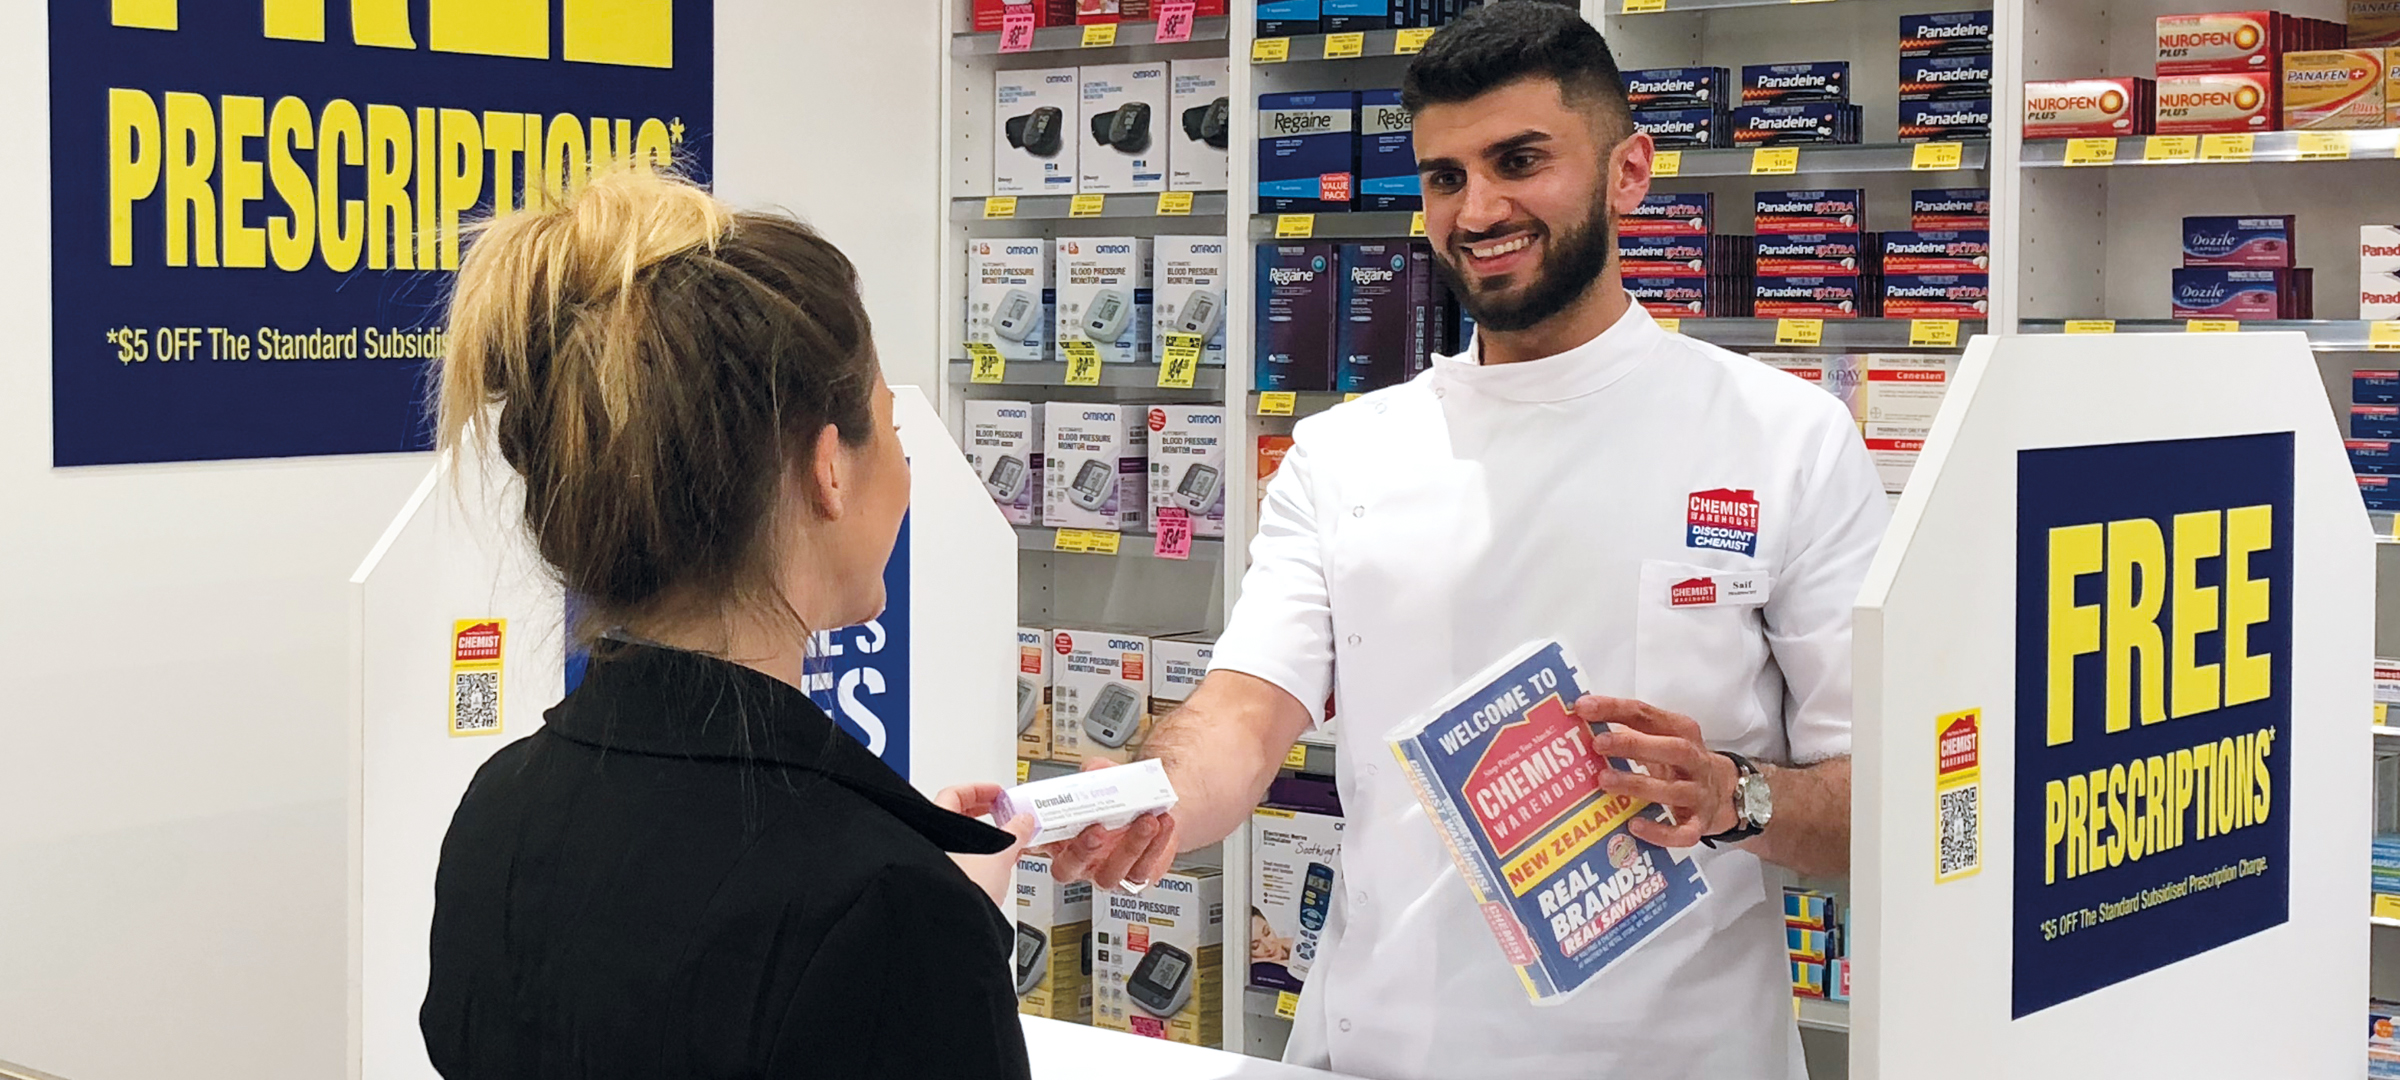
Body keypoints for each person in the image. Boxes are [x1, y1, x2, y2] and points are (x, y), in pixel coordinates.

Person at [1046, 5, 1888, 1079]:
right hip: (1383, 1051)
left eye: (1520, 161)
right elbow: (1243, 719)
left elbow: (1889, 803)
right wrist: (1146, 793)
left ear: (1629, 171)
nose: (1478, 209)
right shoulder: (1345, 454)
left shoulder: (1784, 438)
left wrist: (1736, 797)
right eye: (1445, 177)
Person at [418, 167, 1035, 1079]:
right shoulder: (886, 905)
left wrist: (930, 889)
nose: (903, 473)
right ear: (830, 469)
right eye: (892, 435)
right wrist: (937, 921)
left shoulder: (495, 815)